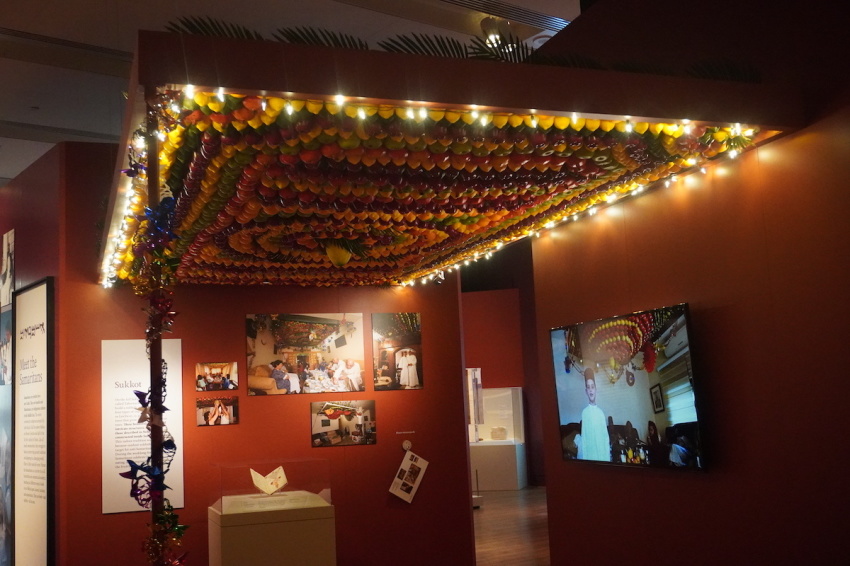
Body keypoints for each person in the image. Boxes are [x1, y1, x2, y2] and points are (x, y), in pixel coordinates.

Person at [577, 368, 610, 462]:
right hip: (591, 456)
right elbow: (585, 440)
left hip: (603, 456)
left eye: (592, 387)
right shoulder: (585, 413)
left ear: (596, 389)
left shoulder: (601, 413)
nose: (591, 390)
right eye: (588, 387)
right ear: (586, 391)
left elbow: (605, 438)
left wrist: (607, 458)